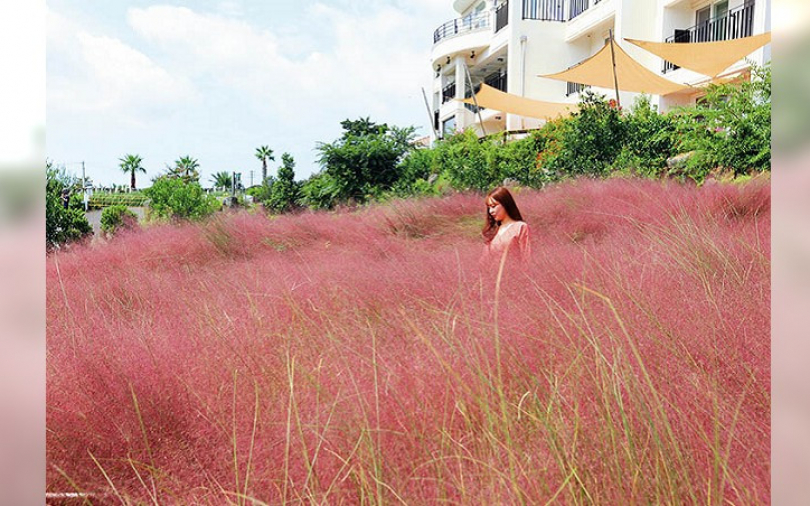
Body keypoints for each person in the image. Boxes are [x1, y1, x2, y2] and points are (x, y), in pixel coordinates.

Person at [482, 186, 530, 263]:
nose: (491, 211)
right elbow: (484, 263)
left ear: (505, 204)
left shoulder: (520, 227)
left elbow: (526, 258)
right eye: (489, 208)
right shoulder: (493, 231)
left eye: (493, 206)